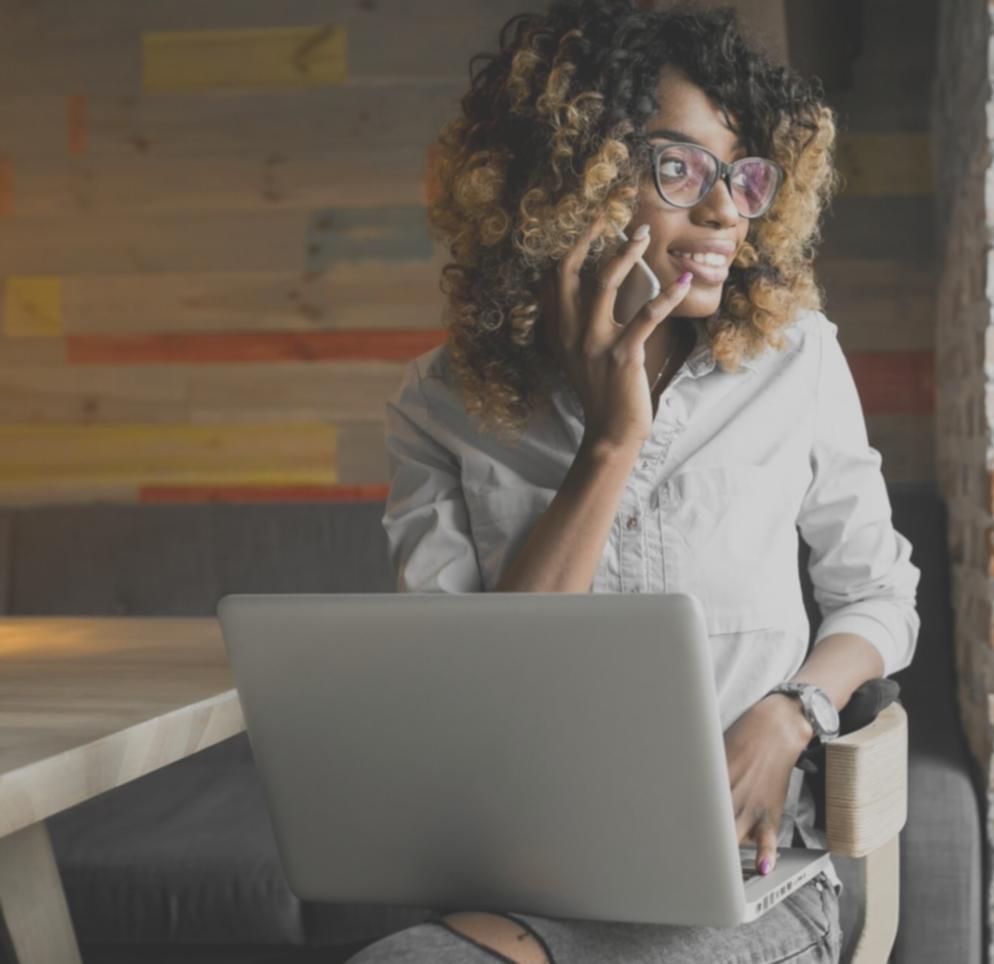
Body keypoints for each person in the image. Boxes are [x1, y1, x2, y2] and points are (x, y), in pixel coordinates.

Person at [356, 1, 920, 961]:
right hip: (534, 883)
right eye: (678, 168)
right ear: (567, 183)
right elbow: (487, 692)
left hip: (753, 883)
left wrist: (795, 713)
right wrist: (611, 442)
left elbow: (879, 593)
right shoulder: (439, 406)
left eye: (741, 178)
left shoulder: (798, 361)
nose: (723, 212)